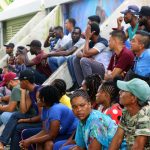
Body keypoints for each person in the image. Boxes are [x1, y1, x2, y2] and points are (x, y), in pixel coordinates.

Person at [20, 85, 78, 150]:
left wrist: (30, 141)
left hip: (71, 134)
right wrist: (27, 140)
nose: (37, 101)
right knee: (39, 142)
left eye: (39, 98)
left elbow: (52, 135)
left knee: (48, 143)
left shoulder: (55, 109)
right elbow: (45, 131)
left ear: (44, 99)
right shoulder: (45, 108)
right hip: (63, 133)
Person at [0, 70, 42, 150]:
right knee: (16, 117)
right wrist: (23, 93)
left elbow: (42, 116)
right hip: (36, 118)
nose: (19, 83)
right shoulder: (30, 92)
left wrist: (25, 120)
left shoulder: (38, 92)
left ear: (25, 82)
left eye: (20, 81)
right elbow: (23, 111)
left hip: (43, 122)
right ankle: (2, 142)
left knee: (18, 127)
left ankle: (3, 142)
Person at [109, 78, 150, 149]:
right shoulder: (126, 111)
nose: (119, 93)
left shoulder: (145, 114)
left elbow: (138, 147)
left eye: (123, 91)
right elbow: (118, 138)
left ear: (133, 98)